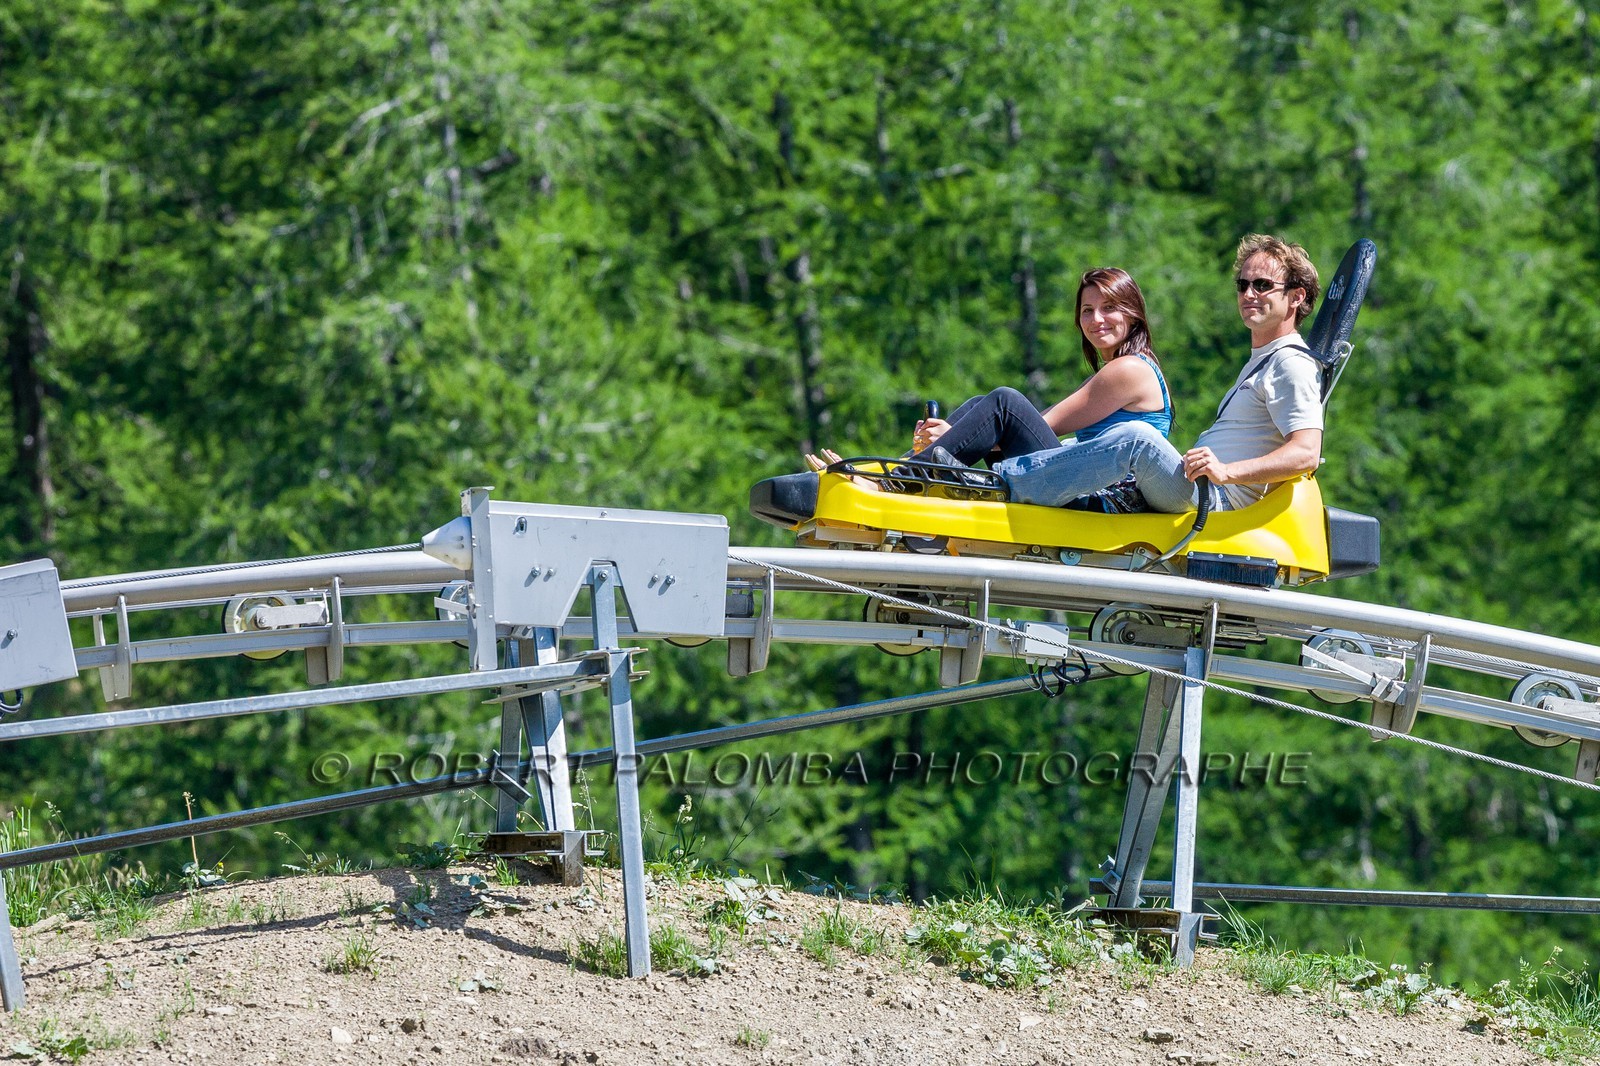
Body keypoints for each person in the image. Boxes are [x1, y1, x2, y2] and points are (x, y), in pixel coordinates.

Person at [975, 233, 1324, 513]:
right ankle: (954, 462)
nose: (1248, 294)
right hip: (1197, 486)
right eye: (1242, 285)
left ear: (1296, 297)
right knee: (999, 406)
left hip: (1214, 500)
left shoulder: (1291, 362)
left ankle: (997, 480)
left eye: (1262, 285)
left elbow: (1306, 453)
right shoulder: (1263, 361)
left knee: (1137, 438)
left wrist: (1226, 471)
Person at [807, 267, 1173, 510]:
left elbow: (1041, 426)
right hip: (1084, 486)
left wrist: (955, 437)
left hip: (1105, 503)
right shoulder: (1122, 369)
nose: (1096, 320)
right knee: (981, 404)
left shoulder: (1130, 369)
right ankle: (902, 472)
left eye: (1109, 308)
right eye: (1087, 310)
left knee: (1004, 404)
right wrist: (952, 439)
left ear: (1133, 313)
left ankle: (893, 483)